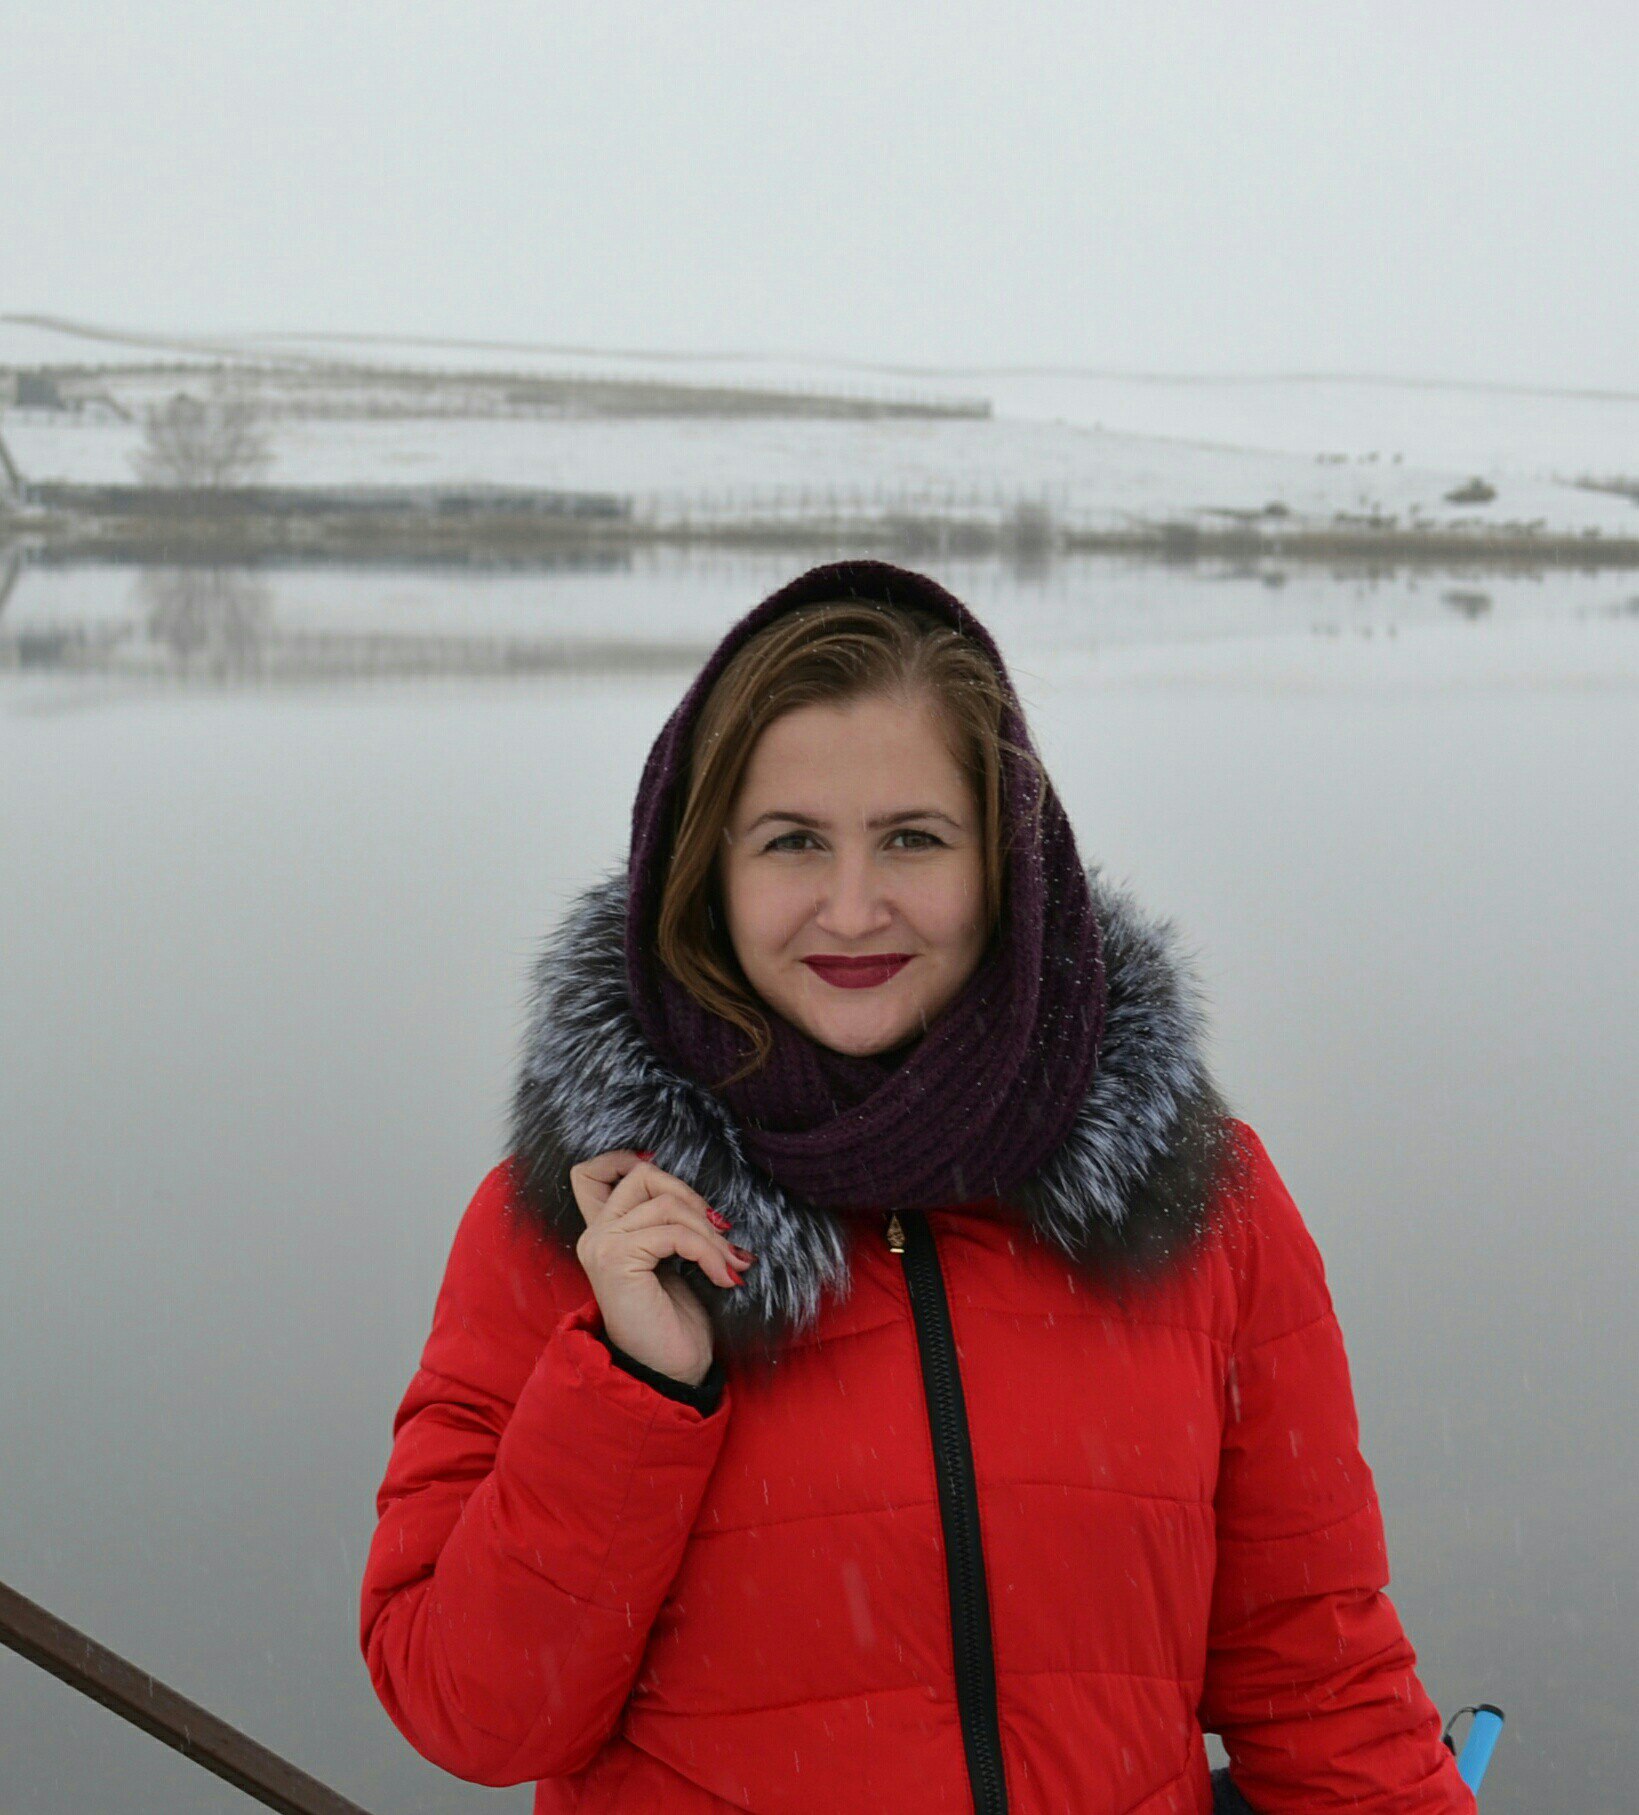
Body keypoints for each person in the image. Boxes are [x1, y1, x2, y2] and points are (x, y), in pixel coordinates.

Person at [359, 559, 1475, 1813]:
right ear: (705, 870)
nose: (852, 909)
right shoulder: (586, 1218)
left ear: (1008, 865)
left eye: (912, 839)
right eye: (792, 842)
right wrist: (633, 1390)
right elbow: (473, 1715)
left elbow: (1320, 1685)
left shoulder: (1195, 1200)